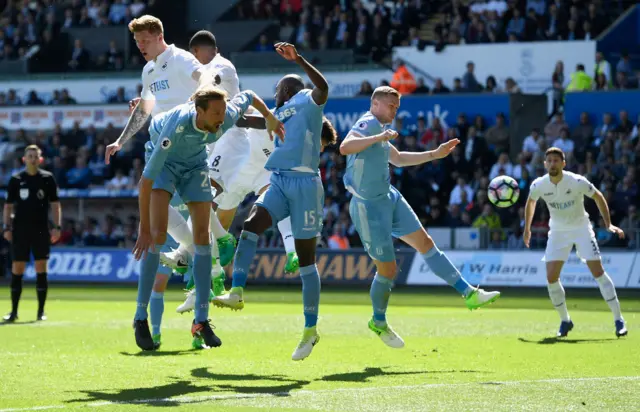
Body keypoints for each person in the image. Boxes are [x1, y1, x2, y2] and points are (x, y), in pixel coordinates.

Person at [339, 87, 501, 348]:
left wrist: (434, 154)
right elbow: (345, 147)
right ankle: (378, 322)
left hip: (388, 198)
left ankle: (469, 293)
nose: (394, 110)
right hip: (368, 208)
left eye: (397, 106)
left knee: (425, 243)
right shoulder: (368, 123)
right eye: (391, 105)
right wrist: (379, 135)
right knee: (388, 270)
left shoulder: (378, 130)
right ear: (376, 103)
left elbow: (399, 159)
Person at [131, 85, 284, 351]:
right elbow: (145, 182)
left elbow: (248, 94)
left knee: (202, 240)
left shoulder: (222, 116)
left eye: (223, 112)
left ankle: (200, 321)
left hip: (194, 166)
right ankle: (140, 318)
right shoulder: (176, 127)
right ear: (198, 111)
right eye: (215, 113)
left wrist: (269, 116)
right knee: (155, 237)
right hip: (164, 163)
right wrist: (143, 228)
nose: (221, 118)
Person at [213, 42, 329, 361]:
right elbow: (244, 122)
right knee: (251, 226)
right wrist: (218, 107)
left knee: (307, 262)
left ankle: (309, 329)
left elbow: (323, 87)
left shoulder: (307, 100)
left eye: (278, 87)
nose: (275, 92)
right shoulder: (275, 114)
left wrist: (300, 59)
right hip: (278, 179)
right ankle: (236, 291)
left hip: (305, 182)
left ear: (288, 88)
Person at [174, 117, 338, 314]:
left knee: (276, 199)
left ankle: (291, 250)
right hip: (237, 165)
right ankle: (203, 276)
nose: (320, 151)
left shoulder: (301, 152)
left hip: (263, 173)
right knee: (211, 217)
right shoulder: (284, 123)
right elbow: (243, 117)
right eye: (321, 144)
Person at [524, 147, 627, 338]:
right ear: (545, 164)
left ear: (563, 163)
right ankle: (565, 321)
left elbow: (598, 196)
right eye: (549, 161)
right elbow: (530, 202)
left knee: (598, 272)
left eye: (556, 160)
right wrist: (527, 228)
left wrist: (609, 224)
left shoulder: (577, 181)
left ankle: (619, 319)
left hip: (581, 229)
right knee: (551, 278)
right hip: (557, 232)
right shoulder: (539, 185)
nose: (552, 164)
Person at [3, 145, 61, 323]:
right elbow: (8, 206)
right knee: (17, 268)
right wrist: (6, 227)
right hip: (20, 230)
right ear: (24, 159)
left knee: (41, 268)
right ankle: (13, 312)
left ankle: (40, 311)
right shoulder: (16, 179)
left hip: (41, 229)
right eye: (29, 156)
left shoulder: (47, 178)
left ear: (40, 159)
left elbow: (55, 204)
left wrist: (57, 227)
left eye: (36, 156)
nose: (33, 159)